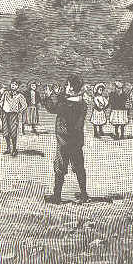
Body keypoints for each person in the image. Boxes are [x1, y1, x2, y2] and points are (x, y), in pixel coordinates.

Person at [43, 74, 89, 204]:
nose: (65, 87)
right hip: (76, 140)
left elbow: (52, 108)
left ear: (72, 88)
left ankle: (56, 197)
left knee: (59, 168)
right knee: (79, 167)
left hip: (64, 140)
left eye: (67, 85)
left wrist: (48, 96)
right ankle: (84, 194)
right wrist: (58, 95)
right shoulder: (81, 103)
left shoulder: (66, 103)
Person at [0, 80, 27, 155]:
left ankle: (14, 149)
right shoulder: (5, 93)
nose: (13, 86)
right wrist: (2, 110)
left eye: (15, 85)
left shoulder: (20, 95)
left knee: (13, 131)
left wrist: (18, 111)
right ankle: (8, 148)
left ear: (17, 86)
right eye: (12, 84)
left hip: (14, 115)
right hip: (5, 114)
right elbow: (1, 102)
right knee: (5, 131)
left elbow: (24, 105)